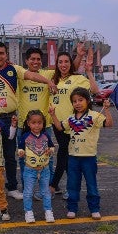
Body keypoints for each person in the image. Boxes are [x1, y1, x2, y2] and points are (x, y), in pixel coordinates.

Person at [0, 41, 57, 201]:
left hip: (9, 118)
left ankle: (12, 188)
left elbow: (31, 75)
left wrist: (48, 81)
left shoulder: (14, 69)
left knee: (10, 156)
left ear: (6, 55)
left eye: (1, 53)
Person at [49, 87, 113, 219]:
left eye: (80, 100)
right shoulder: (71, 118)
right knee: (72, 184)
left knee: (91, 183)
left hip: (89, 157)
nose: (77, 103)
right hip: (73, 157)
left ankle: (94, 208)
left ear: (88, 100)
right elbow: (60, 127)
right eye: (74, 101)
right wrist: (53, 115)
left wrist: (107, 110)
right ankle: (72, 208)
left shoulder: (95, 116)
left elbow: (109, 124)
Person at [48, 49, 99, 199]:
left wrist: (89, 72)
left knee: (65, 153)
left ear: (71, 64)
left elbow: (95, 91)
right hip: (57, 123)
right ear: (56, 64)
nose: (63, 65)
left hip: (73, 124)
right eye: (60, 62)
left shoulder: (78, 78)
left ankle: (55, 186)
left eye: (66, 62)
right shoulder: (53, 79)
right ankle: (63, 186)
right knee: (67, 155)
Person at [17, 47, 55, 200]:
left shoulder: (48, 73)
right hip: (23, 126)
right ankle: (27, 190)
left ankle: (44, 191)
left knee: (48, 159)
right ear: (26, 61)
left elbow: (67, 69)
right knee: (24, 159)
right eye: (32, 59)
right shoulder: (21, 75)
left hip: (44, 127)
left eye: (38, 59)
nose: (35, 61)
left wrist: (79, 55)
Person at [17, 110, 55, 223]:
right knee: (28, 192)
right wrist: (20, 152)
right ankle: (28, 212)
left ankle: (48, 211)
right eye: (33, 123)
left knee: (46, 192)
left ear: (43, 123)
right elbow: (20, 148)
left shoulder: (46, 135)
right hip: (30, 169)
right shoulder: (25, 136)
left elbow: (52, 147)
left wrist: (50, 151)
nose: (37, 125)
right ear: (28, 123)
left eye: (39, 122)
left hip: (45, 169)